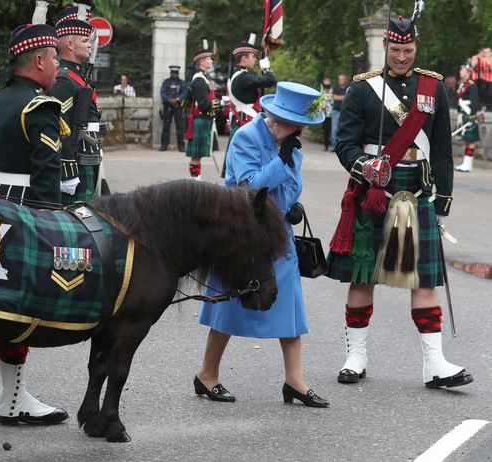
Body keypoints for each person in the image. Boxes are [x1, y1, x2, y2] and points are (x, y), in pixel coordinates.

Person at [326, 14, 473, 389]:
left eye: (408, 50)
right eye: (396, 50)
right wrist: (365, 166)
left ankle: (435, 364)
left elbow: (441, 146)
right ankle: (355, 358)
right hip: (374, 192)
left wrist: (444, 197)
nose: (402, 57)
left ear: (415, 47)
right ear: (385, 48)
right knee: (364, 276)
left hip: (419, 190)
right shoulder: (363, 89)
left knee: (424, 280)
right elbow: (343, 144)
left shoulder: (433, 86)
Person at [194, 82, 329, 408]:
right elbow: (248, 188)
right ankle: (207, 375)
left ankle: (294, 381)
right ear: (282, 119)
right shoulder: (246, 137)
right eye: (301, 124)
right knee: (227, 306)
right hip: (242, 232)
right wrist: (281, 163)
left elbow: (290, 186)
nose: (303, 130)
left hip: (277, 233)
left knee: (291, 306)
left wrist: (290, 203)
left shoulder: (291, 145)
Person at [0, 19, 69, 426]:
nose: (59, 66)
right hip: (24, 212)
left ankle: (1, 394)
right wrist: (51, 225)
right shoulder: (41, 106)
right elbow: (47, 175)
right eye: (56, 58)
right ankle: (14, 399)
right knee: (17, 309)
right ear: (39, 61)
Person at [50, 5, 105, 205]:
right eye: (85, 40)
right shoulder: (63, 79)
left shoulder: (77, 75)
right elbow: (60, 126)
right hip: (76, 158)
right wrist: (67, 171)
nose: (90, 44)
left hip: (87, 153)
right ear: (70, 45)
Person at [223, 33, 276, 174]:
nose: (255, 60)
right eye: (252, 57)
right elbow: (270, 80)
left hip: (243, 122)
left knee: (242, 166)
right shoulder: (242, 78)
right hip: (244, 122)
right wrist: (266, 68)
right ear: (244, 59)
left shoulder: (240, 74)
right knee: (242, 167)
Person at [184, 39, 218, 180]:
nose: (211, 61)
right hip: (200, 120)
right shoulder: (198, 79)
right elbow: (203, 104)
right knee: (196, 157)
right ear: (202, 61)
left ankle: (196, 182)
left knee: (198, 156)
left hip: (205, 120)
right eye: (209, 59)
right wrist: (220, 103)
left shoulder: (204, 77)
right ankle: (195, 183)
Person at [454, 64, 480, 173]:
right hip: (463, 115)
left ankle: (468, 165)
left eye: (462, 69)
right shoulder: (463, 84)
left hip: (470, 116)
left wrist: (472, 117)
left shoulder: (472, 85)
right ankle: (466, 163)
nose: (460, 71)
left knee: (471, 140)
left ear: (468, 72)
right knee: (467, 140)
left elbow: (475, 102)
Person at [159, 65, 187, 151]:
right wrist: (169, 100)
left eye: (176, 72)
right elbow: (162, 92)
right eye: (173, 72)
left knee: (180, 127)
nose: (174, 74)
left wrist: (177, 99)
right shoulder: (166, 82)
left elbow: (184, 93)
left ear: (178, 73)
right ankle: (164, 145)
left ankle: (181, 146)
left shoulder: (182, 83)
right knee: (166, 126)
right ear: (171, 73)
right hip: (168, 106)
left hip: (178, 106)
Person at [330, 73, 348, 151]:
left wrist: (338, 97)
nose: (340, 80)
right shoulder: (335, 88)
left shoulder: (348, 88)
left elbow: (347, 97)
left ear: (345, 80)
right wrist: (343, 97)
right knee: (334, 130)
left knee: (344, 129)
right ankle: (334, 146)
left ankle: (342, 147)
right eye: (339, 79)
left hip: (345, 112)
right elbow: (333, 97)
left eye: (342, 79)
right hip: (336, 111)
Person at [321, 78, 334, 151]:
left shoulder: (333, 90)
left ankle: (333, 145)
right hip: (325, 113)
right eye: (325, 82)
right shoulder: (322, 91)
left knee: (333, 129)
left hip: (333, 112)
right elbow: (321, 100)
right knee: (325, 130)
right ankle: (326, 145)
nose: (327, 84)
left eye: (328, 82)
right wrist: (323, 108)